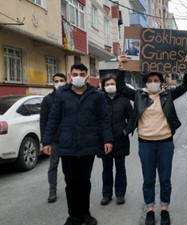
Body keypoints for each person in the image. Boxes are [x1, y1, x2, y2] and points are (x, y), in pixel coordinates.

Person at [117, 55, 187, 225]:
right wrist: (121, 67)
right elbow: (120, 87)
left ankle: (165, 209)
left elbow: (186, 85)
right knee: (148, 179)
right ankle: (150, 209)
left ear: (160, 81)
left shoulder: (168, 94)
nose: (152, 82)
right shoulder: (137, 95)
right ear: (145, 82)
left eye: (155, 79)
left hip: (165, 143)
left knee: (165, 179)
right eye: (149, 80)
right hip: (145, 144)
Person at [42, 63, 113, 225]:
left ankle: (85, 213)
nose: (78, 77)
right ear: (70, 76)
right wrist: (47, 141)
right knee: (71, 182)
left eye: (82, 74)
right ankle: (73, 215)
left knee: (84, 181)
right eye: (75, 74)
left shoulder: (96, 95)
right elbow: (53, 119)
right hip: (67, 146)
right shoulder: (62, 94)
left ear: (87, 76)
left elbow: (103, 119)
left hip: (88, 144)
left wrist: (107, 140)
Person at [99, 74, 134, 206]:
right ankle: (106, 195)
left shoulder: (124, 100)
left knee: (120, 168)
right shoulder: (100, 100)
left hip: (121, 139)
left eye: (112, 84)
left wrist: (126, 130)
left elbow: (132, 117)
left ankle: (120, 194)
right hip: (104, 140)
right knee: (106, 169)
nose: (110, 86)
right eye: (107, 84)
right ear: (103, 87)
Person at [40, 73, 67, 203]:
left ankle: (71, 188)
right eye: (56, 81)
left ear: (66, 81)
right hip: (55, 139)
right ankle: (52, 189)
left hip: (68, 138)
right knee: (53, 164)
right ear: (53, 83)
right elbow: (44, 121)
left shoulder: (70, 97)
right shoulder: (48, 99)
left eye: (61, 80)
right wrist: (45, 141)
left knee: (69, 166)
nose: (59, 83)